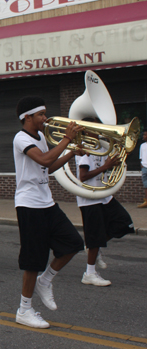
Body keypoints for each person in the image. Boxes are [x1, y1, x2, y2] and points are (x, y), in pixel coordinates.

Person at [13, 96, 84, 329]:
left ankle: (46, 281)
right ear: (27, 117)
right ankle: (24, 310)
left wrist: (71, 152)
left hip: (46, 202)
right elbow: (43, 158)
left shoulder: (42, 136)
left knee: (73, 243)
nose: (45, 118)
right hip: (28, 204)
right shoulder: (20, 138)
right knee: (33, 260)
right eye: (41, 114)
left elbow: (49, 166)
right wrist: (67, 138)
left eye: (45, 113)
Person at [75, 123, 135, 286]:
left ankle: (95, 246)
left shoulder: (103, 147)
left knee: (125, 223)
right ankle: (89, 273)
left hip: (104, 195)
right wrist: (106, 166)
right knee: (95, 236)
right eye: (95, 129)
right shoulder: (84, 149)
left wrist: (114, 162)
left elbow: (109, 163)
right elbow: (83, 176)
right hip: (89, 198)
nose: (100, 132)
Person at [138, 131, 147, 208]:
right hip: (144, 167)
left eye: (145, 134)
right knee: (146, 185)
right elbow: (140, 157)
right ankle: (146, 201)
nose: (143, 136)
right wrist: (142, 165)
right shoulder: (142, 145)